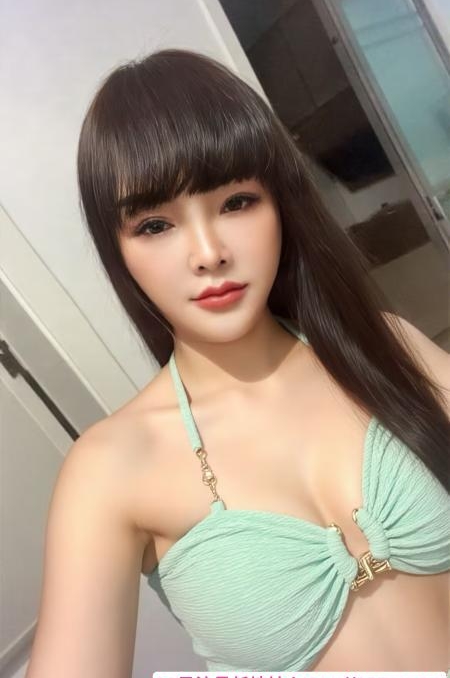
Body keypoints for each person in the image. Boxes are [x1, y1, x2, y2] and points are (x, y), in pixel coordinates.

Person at [25, 48, 450, 677]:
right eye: (155, 225)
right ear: (118, 251)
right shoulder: (109, 471)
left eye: (237, 202)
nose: (208, 253)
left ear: (280, 205)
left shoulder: (388, 347)